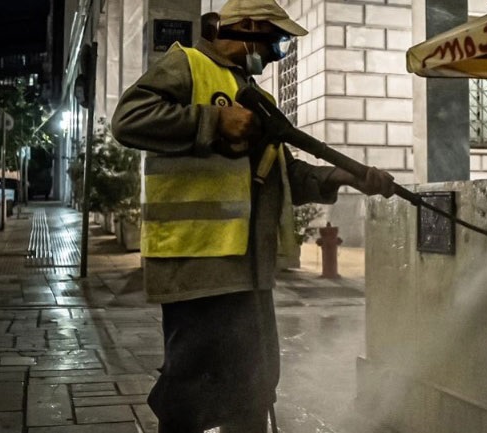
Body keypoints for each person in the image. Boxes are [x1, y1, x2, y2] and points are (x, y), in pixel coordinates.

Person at [110, 0, 395, 432]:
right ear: (245, 28)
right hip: (197, 263)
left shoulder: (256, 95)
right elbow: (128, 119)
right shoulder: (188, 65)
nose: (277, 53)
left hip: (247, 267)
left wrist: (344, 176)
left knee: (253, 386)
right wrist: (214, 121)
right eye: (276, 40)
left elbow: (281, 171)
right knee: (190, 390)